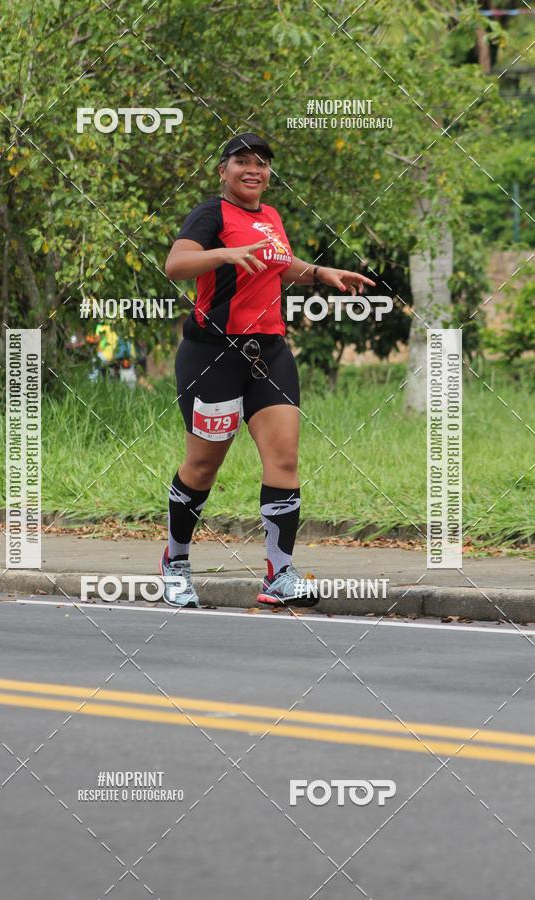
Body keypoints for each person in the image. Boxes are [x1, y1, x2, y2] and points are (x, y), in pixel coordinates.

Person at [161, 132, 375, 608]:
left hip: (269, 353)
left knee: (284, 461)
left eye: (261, 163)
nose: (253, 169)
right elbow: (176, 264)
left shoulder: (271, 217)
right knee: (202, 465)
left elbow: (277, 265)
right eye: (242, 161)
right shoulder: (211, 214)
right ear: (224, 170)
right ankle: (175, 564)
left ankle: (279, 573)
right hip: (212, 356)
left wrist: (321, 273)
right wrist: (223, 254)